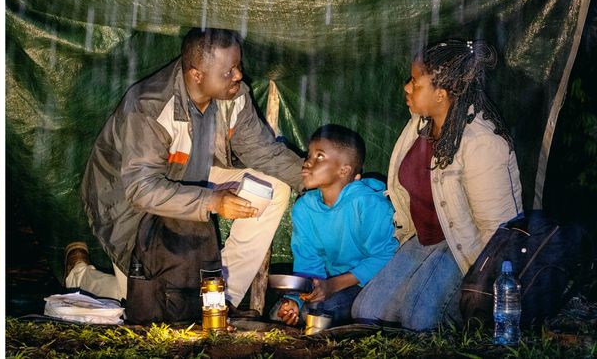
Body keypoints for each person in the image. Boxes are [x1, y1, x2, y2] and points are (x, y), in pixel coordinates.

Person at [68, 27, 304, 314]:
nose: (239, 76)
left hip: (192, 175)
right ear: (197, 75)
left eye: (238, 66)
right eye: (228, 71)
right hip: (126, 198)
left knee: (273, 188)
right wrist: (211, 201)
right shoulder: (150, 108)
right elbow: (142, 189)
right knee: (143, 298)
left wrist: (313, 179)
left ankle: (221, 299)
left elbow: (262, 150)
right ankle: (78, 276)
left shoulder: (233, 96)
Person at [352, 39, 523, 331]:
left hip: (463, 247)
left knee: (419, 319)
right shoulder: (420, 125)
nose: (407, 87)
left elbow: (498, 232)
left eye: (416, 82)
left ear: (441, 95)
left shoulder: (481, 143)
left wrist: (483, 291)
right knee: (365, 312)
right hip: (423, 239)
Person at [273, 124, 397, 328]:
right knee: (283, 312)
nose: (307, 163)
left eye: (319, 156)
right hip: (330, 283)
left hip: (372, 283)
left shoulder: (368, 204)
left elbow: (387, 256)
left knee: (323, 312)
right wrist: (296, 298)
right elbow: (308, 264)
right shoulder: (305, 208)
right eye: (309, 155)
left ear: (344, 170)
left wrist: (332, 285)